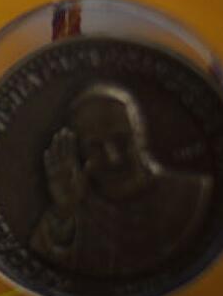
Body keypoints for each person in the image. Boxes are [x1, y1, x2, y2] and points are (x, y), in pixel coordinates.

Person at [30, 84, 211, 277]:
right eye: (95, 146)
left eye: (121, 140)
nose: (112, 158)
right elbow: (41, 270)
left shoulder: (195, 195)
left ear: (140, 133)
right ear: (80, 150)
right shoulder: (71, 211)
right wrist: (64, 211)